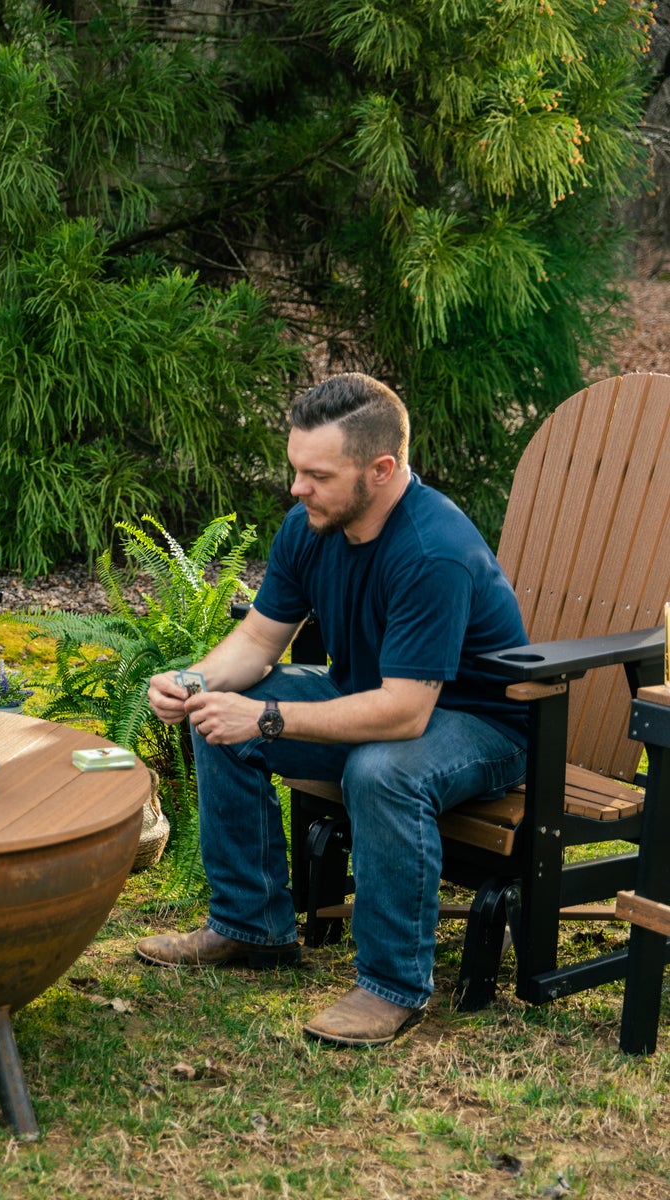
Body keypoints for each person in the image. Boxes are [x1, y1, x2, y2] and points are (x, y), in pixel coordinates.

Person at [137, 373, 529, 1046]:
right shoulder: (311, 525)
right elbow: (260, 639)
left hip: (482, 725)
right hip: (373, 698)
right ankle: (250, 925)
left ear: (380, 470)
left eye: (316, 474)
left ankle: (391, 985)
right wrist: (192, 679)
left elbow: (405, 714)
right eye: (296, 470)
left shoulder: (432, 551)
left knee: (382, 771)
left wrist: (266, 720)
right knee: (218, 709)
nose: (297, 488)